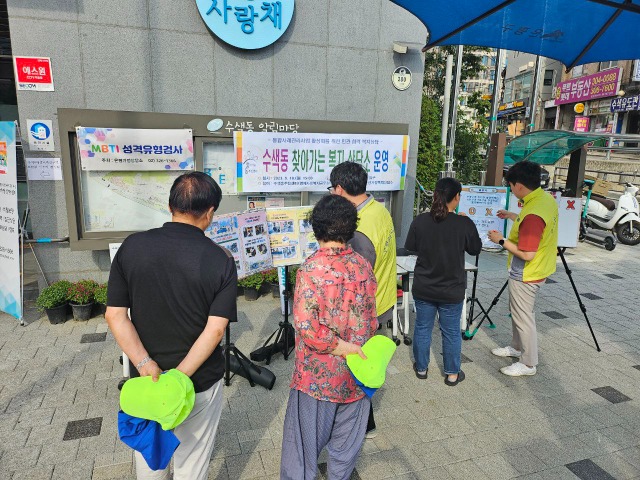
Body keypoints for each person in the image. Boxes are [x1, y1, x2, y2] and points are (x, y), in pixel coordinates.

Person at [106, 172, 236, 480]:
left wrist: (145, 363)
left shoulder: (133, 246)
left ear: (170, 206)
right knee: (192, 462)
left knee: (151, 458)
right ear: (210, 212)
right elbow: (215, 329)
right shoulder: (221, 259)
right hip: (198, 381)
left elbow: (115, 315)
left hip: (145, 379)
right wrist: (178, 378)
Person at [280, 195, 378, 480]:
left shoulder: (311, 269)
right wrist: (354, 349)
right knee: (345, 451)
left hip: (317, 379)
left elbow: (308, 329)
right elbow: (370, 319)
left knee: (302, 453)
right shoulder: (362, 265)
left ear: (317, 228)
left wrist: (341, 346)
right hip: (357, 375)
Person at [329, 161, 396, 438]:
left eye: (332, 189)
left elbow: (356, 280)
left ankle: (359, 425)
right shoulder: (378, 209)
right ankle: (362, 423)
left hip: (366, 311)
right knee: (361, 362)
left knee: (355, 365)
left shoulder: (359, 228)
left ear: (341, 189)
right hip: (384, 299)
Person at [405, 177, 482, 385]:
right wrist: (467, 225)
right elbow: (475, 248)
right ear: (456, 197)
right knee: (450, 332)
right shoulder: (463, 223)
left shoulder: (420, 221)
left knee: (422, 327)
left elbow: (411, 246)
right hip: (451, 289)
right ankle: (452, 373)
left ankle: (421, 368)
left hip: (424, 287)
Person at [488, 161, 558, 377]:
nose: (510, 189)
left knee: (523, 317)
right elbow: (531, 224)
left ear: (518, 185)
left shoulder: (533, 213)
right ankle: (516, 348)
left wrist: (500, 241)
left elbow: (527, 253)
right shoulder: (543, 199)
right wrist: (511, 215)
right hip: (537, 269)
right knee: (518, 313)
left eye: (510, 185)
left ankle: (528, 363)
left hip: (527, 272)